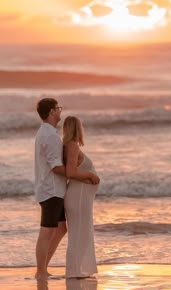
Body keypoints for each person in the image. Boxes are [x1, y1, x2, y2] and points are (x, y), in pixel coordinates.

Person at [34, 98, 99, 280]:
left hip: (55, 190)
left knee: (61, 228)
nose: (60, 111)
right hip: (51, 190)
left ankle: (43, 267)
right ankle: (40, 271)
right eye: (57, 108)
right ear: (51, 112)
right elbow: (57, 168)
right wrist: (86, 175)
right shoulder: (50, 136)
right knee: (47, 231)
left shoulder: (48, 133)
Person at [63, 116, 99, 278]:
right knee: (79, 233)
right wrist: (90, 175)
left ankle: (78, 269)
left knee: (81, 232)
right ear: (78, 128)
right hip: (78, 196)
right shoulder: (72, 146)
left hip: (80, 195)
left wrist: (87, 177)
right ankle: (74, 271)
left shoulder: (68, 145)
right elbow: (70, 173)